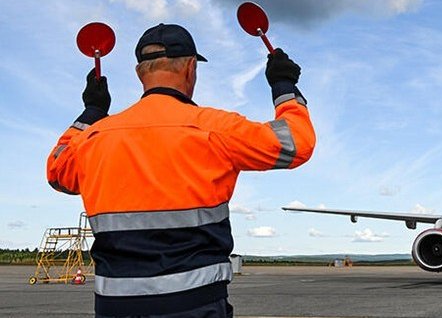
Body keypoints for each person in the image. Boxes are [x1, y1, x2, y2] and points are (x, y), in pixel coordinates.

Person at [46, 23, 316, 317]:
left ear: (140, 72)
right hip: (195, 305)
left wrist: (92, 112)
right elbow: (296, 143)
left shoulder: (93, 138)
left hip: (115, 307)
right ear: (190, 68)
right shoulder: (214, 128)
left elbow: (57, 171)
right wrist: (284, 87)